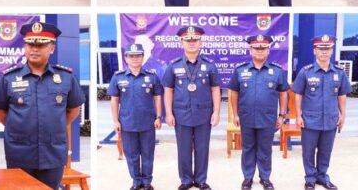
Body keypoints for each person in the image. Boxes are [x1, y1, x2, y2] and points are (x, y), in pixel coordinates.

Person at [0, 22, 85, 190]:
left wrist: (56, 126)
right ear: (24, 47)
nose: (34, 49)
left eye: (40, 45)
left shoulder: (66, 77)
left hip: (53, 153)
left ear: (52, 48)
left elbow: (73, 109)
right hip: (19, 152)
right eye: (30, 44)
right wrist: (18, 127)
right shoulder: (8, 78)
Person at [161, 25, 220, 190]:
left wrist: (216, 112)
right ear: (181, 43)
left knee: (202, 148)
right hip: (181, 115)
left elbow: (215, 89)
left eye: (195, 40)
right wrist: (168, 113)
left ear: (201, 42)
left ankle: (201, 179)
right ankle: (186, 180)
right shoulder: (173, 66)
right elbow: (168, 90)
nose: (192, 43)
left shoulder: (210, 66)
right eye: (188, 40)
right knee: (184, 149)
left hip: (204, 114)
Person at [227, 35, 289, 190]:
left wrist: (282, 115)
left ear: (268, 50)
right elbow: (234, 92)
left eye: (263, 48)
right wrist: (235, 114)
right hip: (246, 117)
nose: (260, 51)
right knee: (248, 148)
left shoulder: (277, 71)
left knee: (265, 149)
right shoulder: (240, 70)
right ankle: (247, 178)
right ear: (250, 50)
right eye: (256, 48)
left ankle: (265, 178)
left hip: (268, 118)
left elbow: (283, 94)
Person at [291, 35, 350, 190]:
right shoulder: (305, 72)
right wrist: (298, 115)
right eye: (320, 48)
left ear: (332, 51)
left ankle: (322, 177)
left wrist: (343, 115)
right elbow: (298, 94)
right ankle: (310, 179)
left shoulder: (339, 73)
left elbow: (342, 95)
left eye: (327, 48)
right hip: (310, 120)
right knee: (308, 151)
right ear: (314, 51)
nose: (324, 51)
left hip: (330, 120)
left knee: (325, 151)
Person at [108, 43, 163, 190]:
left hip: (148, 123)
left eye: (138, 55)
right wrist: (115, 121)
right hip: (127, 123)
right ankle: (136, 181)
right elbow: (114, 100)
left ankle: (147, 182)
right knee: (131, 155)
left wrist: (159, 117)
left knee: (147, 154)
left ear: (143, 57)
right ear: (126, 58)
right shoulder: (118, 77)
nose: (135, 58)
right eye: (131, 56)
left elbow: (158, 97)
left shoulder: (152, 76)